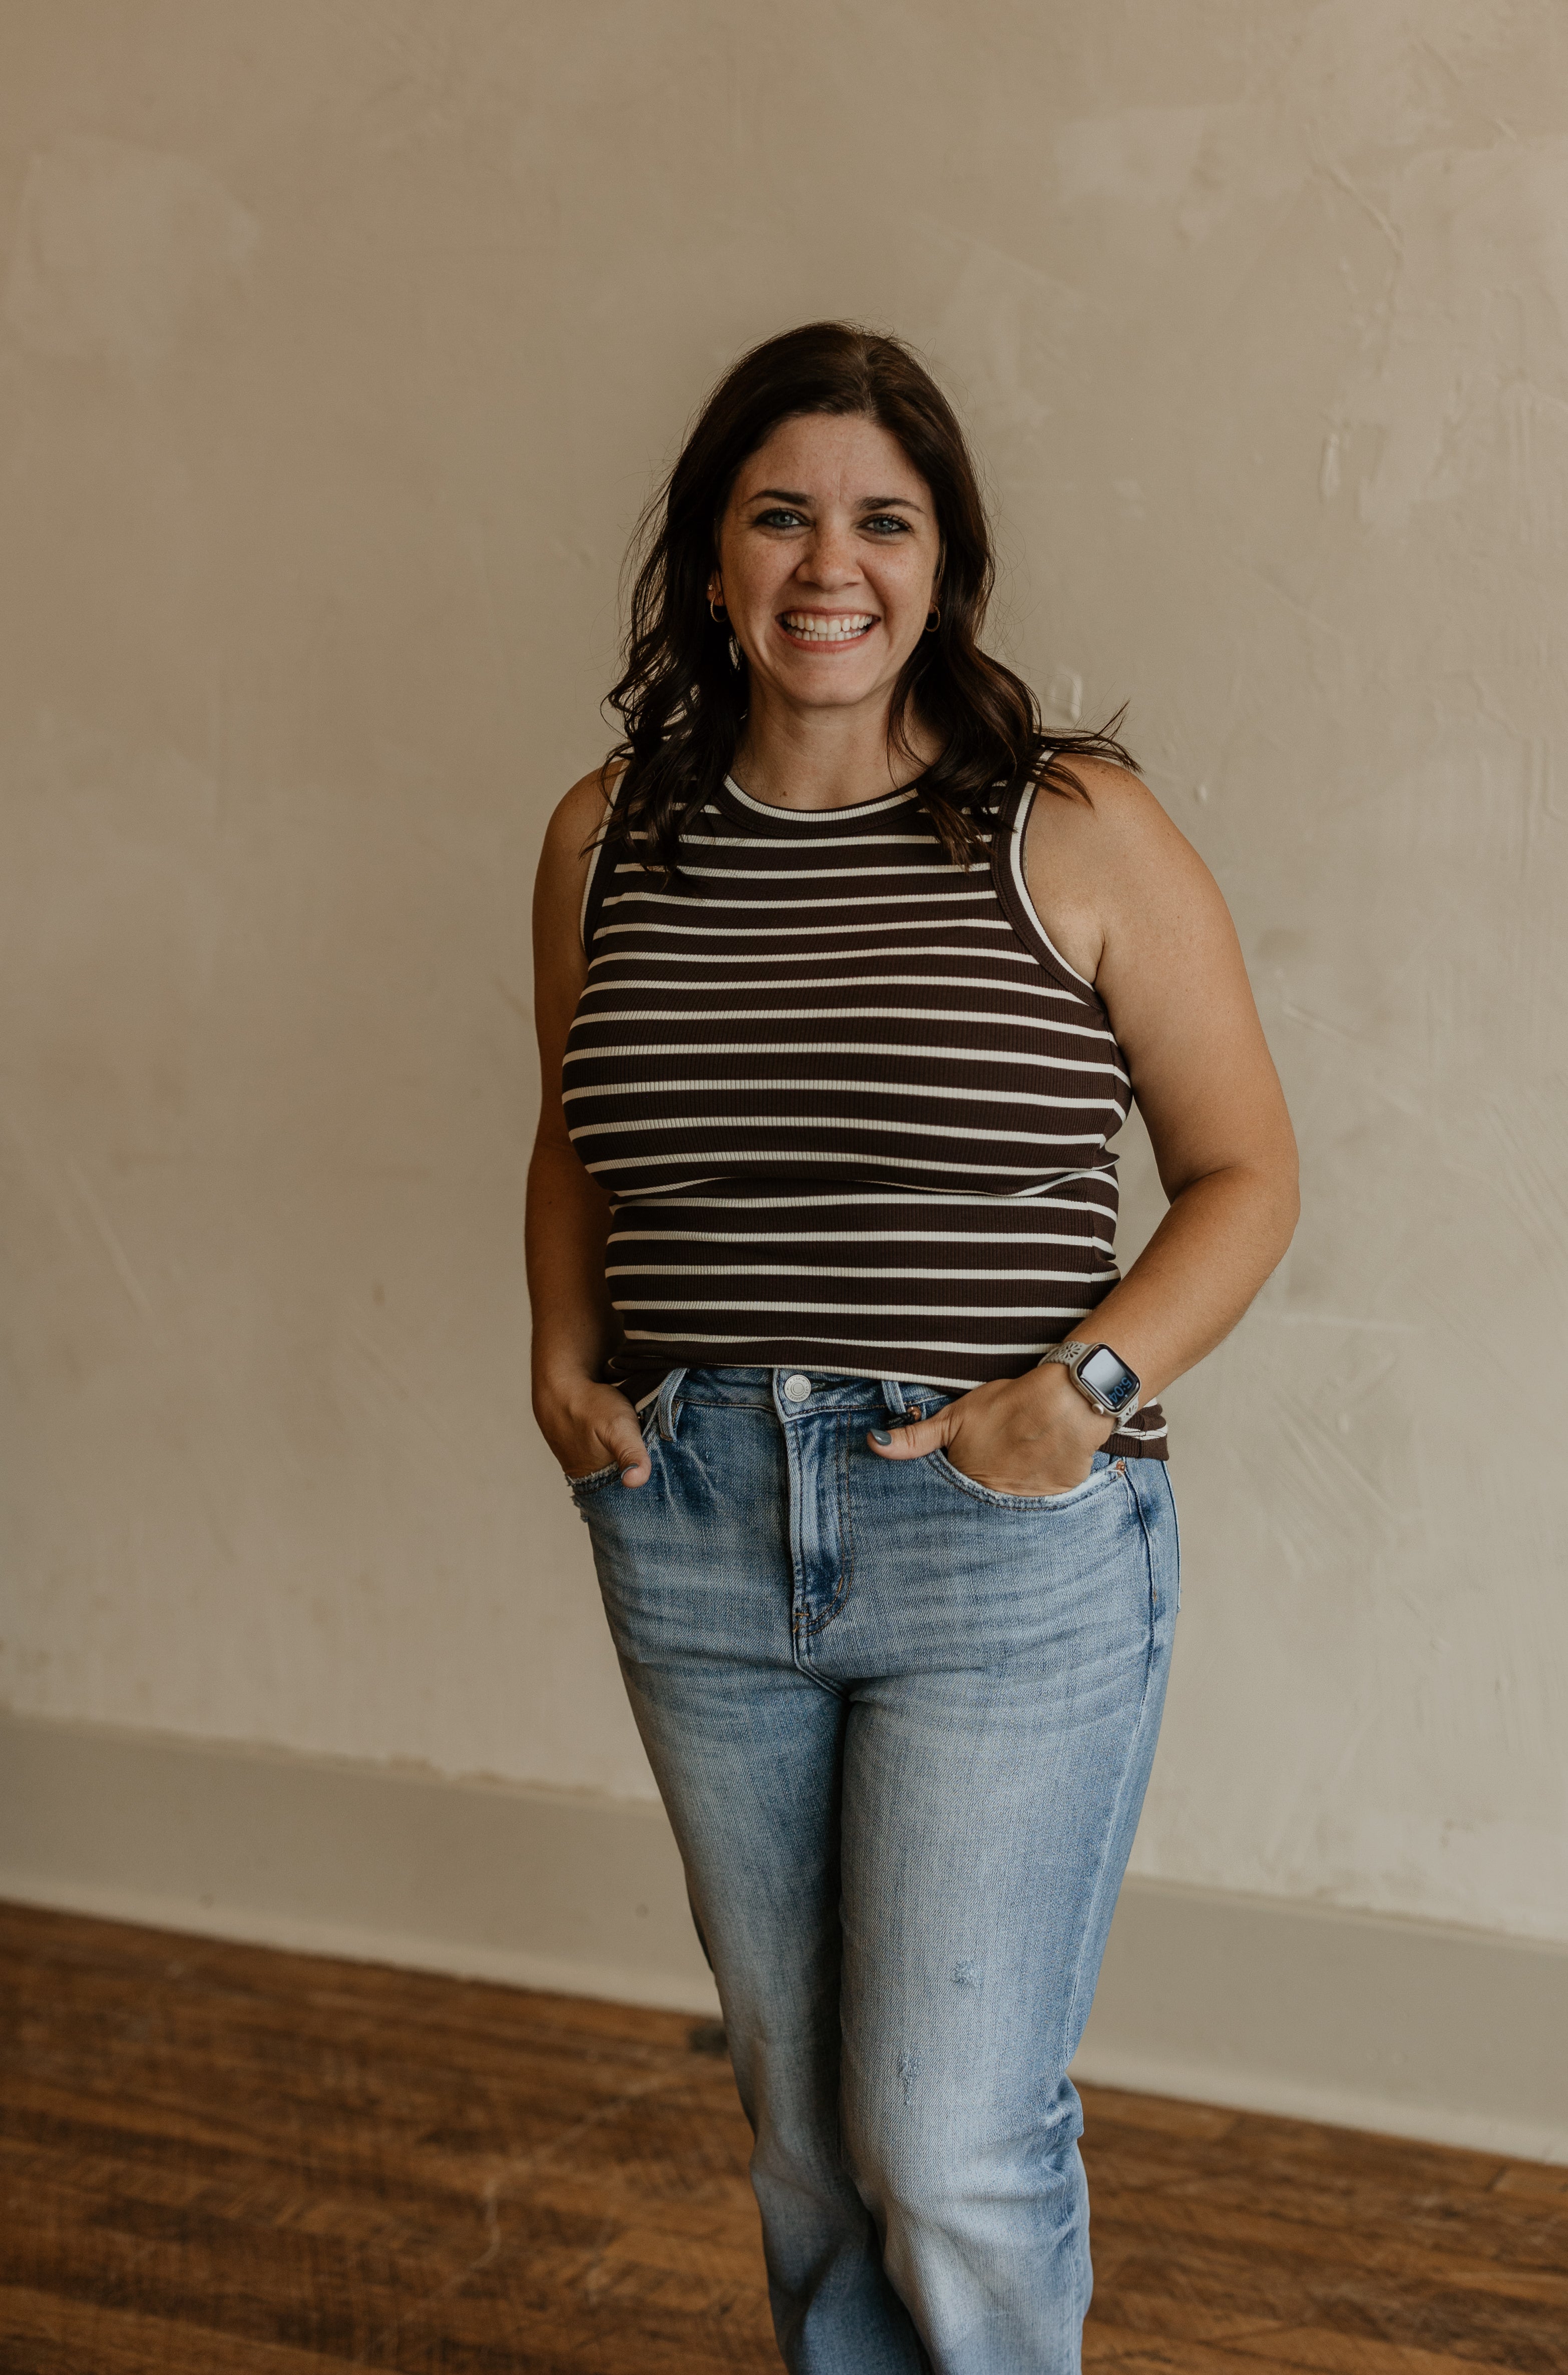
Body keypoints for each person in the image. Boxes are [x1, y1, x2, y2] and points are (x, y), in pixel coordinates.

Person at [525, 321, 1298, 2375]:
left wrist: (1080, 1400)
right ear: (713, 557)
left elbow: (1244, 1174)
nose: (828, 563)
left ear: (942, 562)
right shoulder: (607, 832)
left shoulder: (1072, 826)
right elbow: (575, 1134)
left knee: (946, 2138)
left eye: (881, 519)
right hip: (693, 1521)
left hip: (998, 1542)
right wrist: (558, 1358)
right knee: (804, 2131)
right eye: (779, 514)